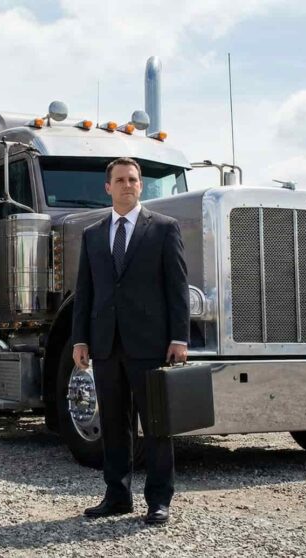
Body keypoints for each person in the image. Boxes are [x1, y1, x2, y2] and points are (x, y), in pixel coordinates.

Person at [71, 157, 190, 525]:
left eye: (133, 180)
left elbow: (177, 287)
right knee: (113, 424)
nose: (127, 185)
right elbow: (85, 292)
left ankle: (159, 500)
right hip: (106, 344)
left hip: (150, 343)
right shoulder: (93, 234)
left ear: (141, 186)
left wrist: (179, 337)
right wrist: (79, 340)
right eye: (120, 180)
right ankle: (117, 495)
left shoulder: (164, 228)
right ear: (108, 187)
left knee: (156, 425)